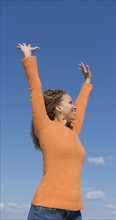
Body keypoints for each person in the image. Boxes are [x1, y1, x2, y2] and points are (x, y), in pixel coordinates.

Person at [16, 43, 93, 220]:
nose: (74, 106)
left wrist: (87, 82)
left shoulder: (72, 132)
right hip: (46, 210)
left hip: (74, 212)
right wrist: (28, 57)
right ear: (58, 107)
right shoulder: (44, 127)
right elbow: (35, 89)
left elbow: (81, 107)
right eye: (69, 103)